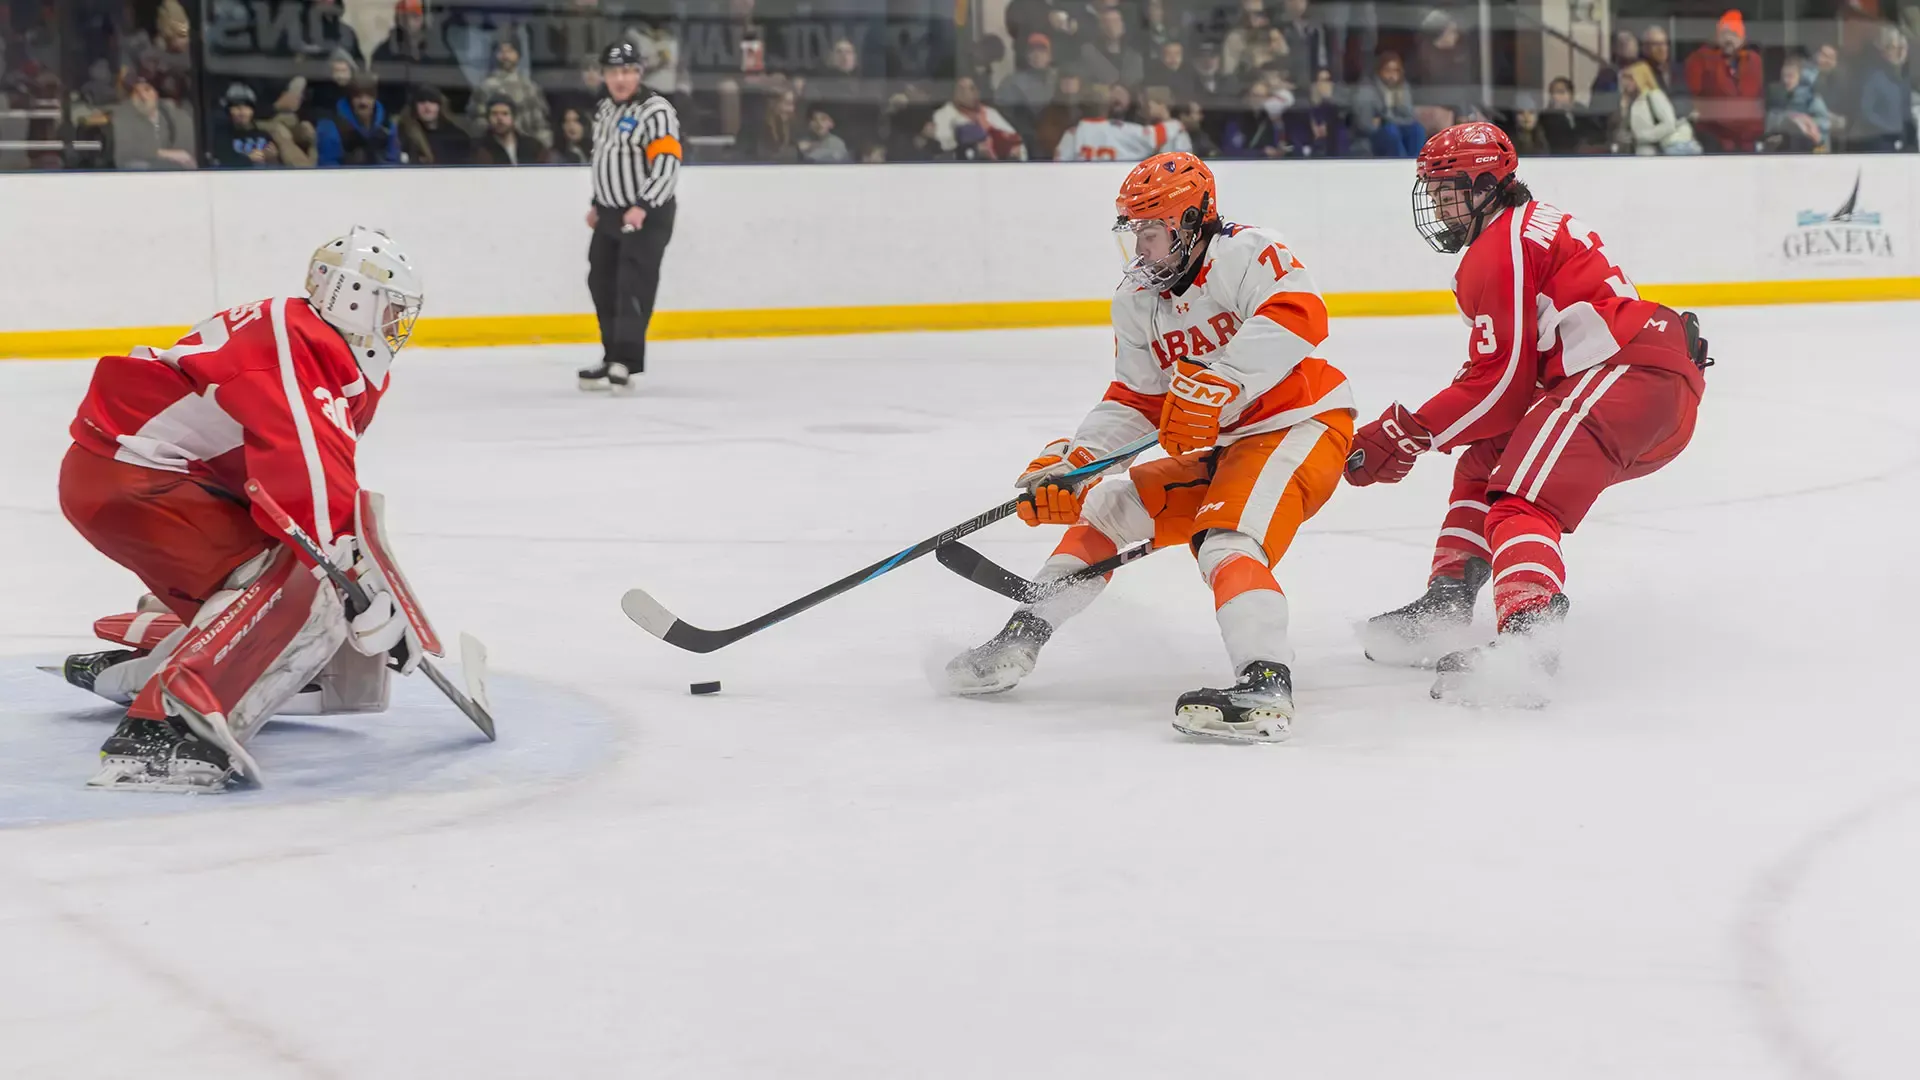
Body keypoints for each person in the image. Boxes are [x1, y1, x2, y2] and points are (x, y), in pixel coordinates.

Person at [946, 153, 1356, 742]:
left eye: (1151, 232)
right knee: (1107, 509)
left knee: (1227, 541)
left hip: (1299, 426)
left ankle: (1265, 684)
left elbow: (1300, 316)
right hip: (1227, 448)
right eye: (1133, 232)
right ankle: (1020, 638)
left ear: (1191, 221)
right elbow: (1136, 399)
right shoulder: (1137, 298)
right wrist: (1078, 463)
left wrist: (1224, 380)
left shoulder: (1248, 252)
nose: (1140, 248)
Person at [1345, 123, 1709, 705]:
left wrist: (1405, 433)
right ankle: (1446, 603)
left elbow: (1501, 387)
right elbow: (1505, 387)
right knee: (1485, 462)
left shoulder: (1500, 246)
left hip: (1621, 376)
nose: (1437, 207)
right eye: (1433, 192)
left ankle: (1528, 641)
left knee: (1522, 502)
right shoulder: (1528, 225)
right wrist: (1421, 430)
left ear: (1487, 184)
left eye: (1447, 191)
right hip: (1640, 381)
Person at [55, 227, 428, 792]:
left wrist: (369, 588)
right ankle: (169, 728)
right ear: (355, 299)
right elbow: (308, 484)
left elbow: (303, 485)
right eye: (392, 309)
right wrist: (360, 588)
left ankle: (162, 666)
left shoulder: (305, 339)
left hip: (138, 479)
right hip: (142, 480)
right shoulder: (301, 340)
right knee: (308, 586)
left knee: (302, 579)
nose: (397, 325)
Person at [582, 41, 682, 392]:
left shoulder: (656, 111)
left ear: (639, 73)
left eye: (627, 71)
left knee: (632, 285)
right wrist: (598, 203)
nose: (620, 79)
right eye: (613, 72)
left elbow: (667, 163)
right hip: (610, 214)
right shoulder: (605, 109)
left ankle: (626, 361)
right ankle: (611, 354)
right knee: (601, 282)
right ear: (604, 75)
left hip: (646, 215)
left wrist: (644, 205)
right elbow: (605, 160)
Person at [1682, 10, 1762, 152]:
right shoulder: (1700, 59)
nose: (1729, 39)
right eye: (1725, 33)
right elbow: (1695, 99)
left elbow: (1754, 99)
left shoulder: (1753, 61)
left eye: (1735, 34)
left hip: (1747, 139)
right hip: (1714, 137)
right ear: (1717, 36)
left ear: (1743, 39)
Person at [1056, 84, 1189, 159]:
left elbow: (1058, 166)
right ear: (1106, 106)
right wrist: (1175, 124)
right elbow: (1154, 136)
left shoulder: (1072, 134)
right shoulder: (1119, 130)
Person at [110, 73, 196, 170]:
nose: (142, 96)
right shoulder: (123, 116)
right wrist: (164, 154)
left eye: (147, 89)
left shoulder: (176, 116)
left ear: (156, 94)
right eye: (136, 92)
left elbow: (189, 156)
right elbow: (125, 153)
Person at [1351, 51, 1424, 156]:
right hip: (1372, 136)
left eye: (1396, 71)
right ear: (1379, 71)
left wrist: (1386, 118)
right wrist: (1386, 120)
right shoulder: (1367, 89)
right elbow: (1365, 124)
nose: (1392, 75)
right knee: (1391, 131)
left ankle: (1415, 161)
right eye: (1388, 70)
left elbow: (1409, 116)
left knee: (1417, 130)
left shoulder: (1403, 88)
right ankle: (1400, 163)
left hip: (1398, 127)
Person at [317, 75, 402, 166]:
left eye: (369, 96)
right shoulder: (331, 127)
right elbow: (329, 168)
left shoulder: (387, 126)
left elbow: (394, 163)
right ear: (350, 98)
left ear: (375, 97)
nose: (363, 102)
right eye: (357, 96)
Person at [1623, 60, 1701, 154]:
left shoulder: (1654, 96)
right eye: (1625, 78)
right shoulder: (1633, 102)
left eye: (1630, 78)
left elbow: (1669, 125)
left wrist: (1642, 136)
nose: (1626, 82)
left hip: (1666, 149)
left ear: (1640, 78)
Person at [1764, 54, 1831, 152]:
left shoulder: (1811, 98)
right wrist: (1788, 119)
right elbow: (1770, 121)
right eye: (1784, 76)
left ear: (1800, 77)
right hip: (1784, 151)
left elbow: (1825, 123)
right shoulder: (1776, 97)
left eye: (1790, 76)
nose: (1786, 80)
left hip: (1808, 151)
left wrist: (1806, 122)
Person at [208, 83, 280, 168]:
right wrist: (248, 159)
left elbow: (276, 166)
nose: (242, 112)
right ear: (228, 111)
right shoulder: (222, 136)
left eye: (246, 106)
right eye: (236, 107)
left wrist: (272, 158)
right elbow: (225, 159)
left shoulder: (264, 135)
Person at [397, 84, 472, 165]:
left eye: (432, 101)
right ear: (414, 107)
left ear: (440, 106)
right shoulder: (405, 135)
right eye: (421, 102)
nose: (427, 106)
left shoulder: (456, 137)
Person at [473, 96, 549, 164]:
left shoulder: (533, 146)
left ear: (513, 117)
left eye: (505, 114)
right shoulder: (478, 149)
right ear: (488, 118)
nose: (499, 119)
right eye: (494, 114)